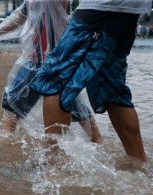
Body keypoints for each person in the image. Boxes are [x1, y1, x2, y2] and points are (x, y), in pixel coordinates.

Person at [29, 0, 152, 161]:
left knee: (56, 78)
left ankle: (51, 162)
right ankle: (139, 163)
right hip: (130, 9)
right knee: (112, 89)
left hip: (103, 7)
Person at [0, 0, 102, 142]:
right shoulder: (33, 2)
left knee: (74, 107)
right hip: (38, 59)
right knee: (13, 105)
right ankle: (5, 148)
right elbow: (19, 16)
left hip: (53, 60)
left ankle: (7, 146)